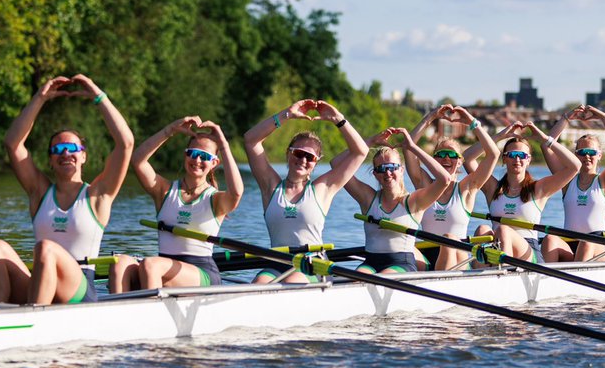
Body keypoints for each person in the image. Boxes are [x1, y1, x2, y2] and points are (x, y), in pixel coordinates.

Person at [0, 74, 134, 305]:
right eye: (58, 149)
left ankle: (35, 320)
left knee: (46, 249)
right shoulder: (39, 192)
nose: (65, 153)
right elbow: (13, 143)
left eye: (72, 148)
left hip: (80, 289)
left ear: (83, 156)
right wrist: (40, 98)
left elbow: (126, 143)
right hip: (41, 283)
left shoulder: (97, 195)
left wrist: (97, 95)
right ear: (50, 161)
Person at [109, 116, 243, 292]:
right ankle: (120, 315)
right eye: (192, 153)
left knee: (151, 265)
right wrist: (169, 130)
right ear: (185, 155)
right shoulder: (164, 191)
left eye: (204, 156)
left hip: (202, 272)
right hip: (162, 266)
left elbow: (237, 192)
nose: (197, 160)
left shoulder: (215, 199)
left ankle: (153, 315)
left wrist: (224, 145)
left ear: (214, 163)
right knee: (119, 264)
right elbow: (138, 161)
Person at [242, 98, 367, 283]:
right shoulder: (270, 185)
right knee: (258, 284)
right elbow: (250, 140)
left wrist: (338, 119)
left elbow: (360, 152)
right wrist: (286, 115)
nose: (303, 160)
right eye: (298, 153)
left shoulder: (323, 188)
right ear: (288, 153)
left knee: (292, 281)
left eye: (310, 157)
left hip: (311, 264)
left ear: (316, 162)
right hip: (277, 262)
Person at [340, 127, 452, 273]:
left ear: (401, 170)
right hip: (370, 263)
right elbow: (337, 164)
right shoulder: (367, 198)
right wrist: (371, 141)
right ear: (375, 174)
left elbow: (445, 179)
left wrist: (412, 147)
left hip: (401, 264)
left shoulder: (414, 201)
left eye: (392, 167)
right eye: (381, 168)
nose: (387, 172)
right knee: (354, 281)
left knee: (378, 280)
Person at [405, 104, 500, 270]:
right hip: (427, 255)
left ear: (460, 162)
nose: (446, 158)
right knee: (401, 245)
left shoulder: (467, 188)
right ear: (434, 160)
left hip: (459, 256)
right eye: (441, 155)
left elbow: (493, 154)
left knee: (451, 238)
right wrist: (430, 118)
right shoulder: (424, 185)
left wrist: (471, 121)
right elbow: (408, 148)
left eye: (452, 155)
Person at [475, 123, 581, 262]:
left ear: (529, 160)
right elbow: (468, 159)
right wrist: (499, 136)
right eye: (512, 155)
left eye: (522, 155)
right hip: (499, 246)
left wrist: (544, 138)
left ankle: (504, 275)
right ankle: (483, 275)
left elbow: (575, 166)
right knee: (482, 230)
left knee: (503, 230)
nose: (517, 159)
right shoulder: (493, 188)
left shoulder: (539, 188)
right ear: (504, 159)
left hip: (529, 253)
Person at [538, 106, 605, 262]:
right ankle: (545, 282)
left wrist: (604, 117)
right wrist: (565, 118)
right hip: (569, 243)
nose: (587, 156)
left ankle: (576, 281)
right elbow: (546, 146)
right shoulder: (567, 181)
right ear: (575, 155)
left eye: (591, 152)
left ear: (599, 155)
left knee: (586, 243)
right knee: (549, 239)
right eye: (582, 152)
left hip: (598, 246)